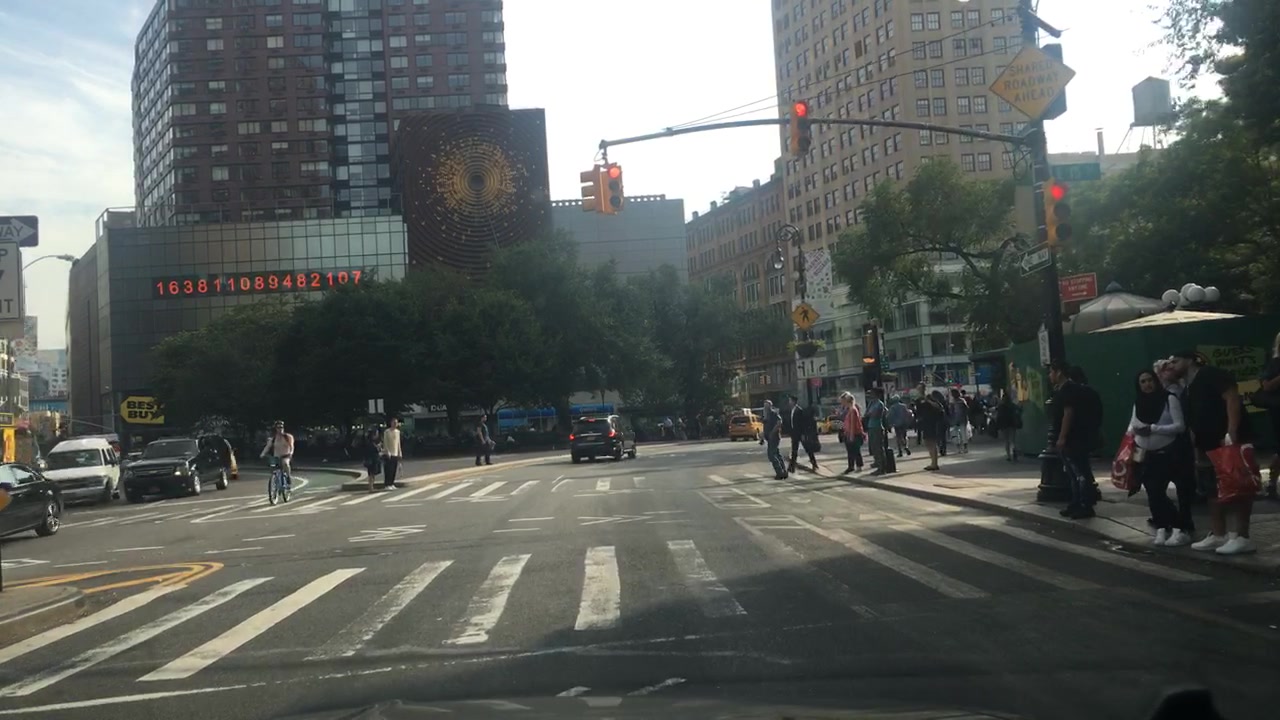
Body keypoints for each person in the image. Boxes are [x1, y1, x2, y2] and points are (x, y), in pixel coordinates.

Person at [1171, 350, 1257, 555]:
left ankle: (1242, 536)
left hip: (1225, 440)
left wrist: (1231, 431)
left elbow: (1232, 397)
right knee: (1212, 489)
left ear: (1190, 360)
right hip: (1206, 444)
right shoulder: (1187, 386)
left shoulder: (1210, 373)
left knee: (1237, 484)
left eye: (1175, 361)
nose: (1171, 365)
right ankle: (1219, 534)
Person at [1129, 368, 1193, 547]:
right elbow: (1132, 424)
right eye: (1142, 382)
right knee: (1153, 492)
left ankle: (1181, 527)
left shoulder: (1169, 398)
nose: (1147, 385)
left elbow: (1179, 426)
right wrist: (1136, 431)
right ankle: (1162, 527)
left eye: (1150, 380)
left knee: (1179, 490)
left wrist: (1154, 428)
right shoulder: (1138, 402)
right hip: (1146, 454)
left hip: (1169, 453)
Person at [1049, 360, 1101, 519]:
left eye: (1051, 372)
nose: (1049, 375)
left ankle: (1084, 504)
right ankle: (1076, 503)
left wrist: (1062, 437)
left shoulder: (1068, 390)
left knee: (1079, 473)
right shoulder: (1066, 389)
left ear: (1059, 372)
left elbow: (1068, 414)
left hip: (1074, 440)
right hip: (1074, 439)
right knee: (1074, 473)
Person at [259, 420, 294, 488]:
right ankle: (274, 480)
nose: (280, 429)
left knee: (285, 464)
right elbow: (267, 447)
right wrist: (262, 454)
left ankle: (288, 477)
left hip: (286, 455)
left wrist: (291, 453)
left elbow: (291, 446)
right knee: (272, 466)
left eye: (281, 427)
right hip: (276, 457)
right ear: (276, 429)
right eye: (278, 427)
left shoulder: (288, 437)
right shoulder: (273, 439)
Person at [760, 399, 788, 479]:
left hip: (774, 437)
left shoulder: (773, 413)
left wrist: (773, 432)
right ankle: (783, 471)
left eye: (767, 405)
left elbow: (779, 422)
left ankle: (779, 472)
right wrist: (762, 437)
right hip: (769, 438)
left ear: (770, 406)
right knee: (777, 454)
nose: (765, 407)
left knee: (771, 455)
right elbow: (765, 426)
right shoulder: (766, 415)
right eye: (765, 406)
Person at [838, 392, 865, 474]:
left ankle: (859, 466)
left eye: (844, 401)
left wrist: (851, 435)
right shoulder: (849, 410)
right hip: (848, 432)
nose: (843, 403)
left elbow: (853, 423)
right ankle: (851, 466)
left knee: (856, 450)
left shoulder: (853, 410)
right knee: (850, 451)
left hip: (854, 433)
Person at [381, 417, 403, 489]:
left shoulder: (397, 432)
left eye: (396, 423)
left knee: (394, 469)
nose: (395, 424)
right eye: (394, 422)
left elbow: (398, 443)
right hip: (389, 453)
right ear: (391, 423)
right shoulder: (387, 432)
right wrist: (387, 451)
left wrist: (400, 452)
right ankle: (387, 484)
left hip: (395, 452)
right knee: (388, 469)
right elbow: (385, 442)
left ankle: (391, 483)